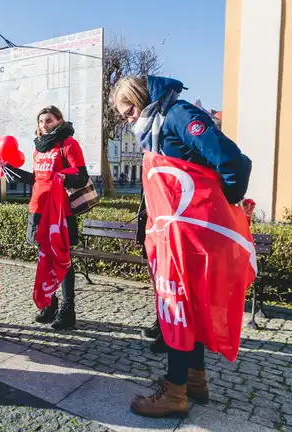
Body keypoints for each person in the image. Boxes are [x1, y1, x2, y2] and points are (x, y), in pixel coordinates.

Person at [111, 75, 251, 418]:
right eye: (121, 111)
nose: (127, 116)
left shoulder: (177, 114)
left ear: (141, 96)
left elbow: (232, 160)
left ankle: (174, 393)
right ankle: (194, 378)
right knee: (190, 305)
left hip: (189, 234)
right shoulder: (156, 123)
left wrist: (223, 204)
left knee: (177, 304)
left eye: (128, 106)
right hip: (175, 234)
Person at [7, 105, 90, 330]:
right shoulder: (37, 148)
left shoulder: (68, 144)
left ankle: (68, 309)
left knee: (62, 257)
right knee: (44, 258)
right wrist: (10, 170)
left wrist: (60, 178)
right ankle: (50, 304)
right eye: (42, 121)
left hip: (59, 211)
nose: (45, 125)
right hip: (38, 210)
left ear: (59, 121)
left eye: (49, 120)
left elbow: (82, 177)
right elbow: (37, 179)